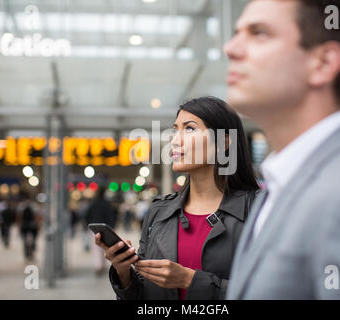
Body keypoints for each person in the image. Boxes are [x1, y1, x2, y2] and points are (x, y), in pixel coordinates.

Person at [223, 0, 340, 299]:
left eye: (258, 33)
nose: (230, 48)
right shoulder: (281, 182)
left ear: (322, 63)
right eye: (237, 32)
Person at [96, 96, 260, 300]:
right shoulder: (159, 211)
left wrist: (190, 282)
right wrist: (124, 273)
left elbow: (278, 291)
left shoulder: (259, 210)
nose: (175, 140)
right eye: (175, 130)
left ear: (224, 143)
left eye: (189, 129)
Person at [85, 187, 118, 276]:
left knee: (96, 248)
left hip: (95, 227)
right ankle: (103, 265)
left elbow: (87, 215)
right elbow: (112, 215)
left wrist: (88, 224)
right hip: (106, 228)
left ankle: (98, 266)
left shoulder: (93, 203)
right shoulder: (107, 204)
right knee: (105, 247)